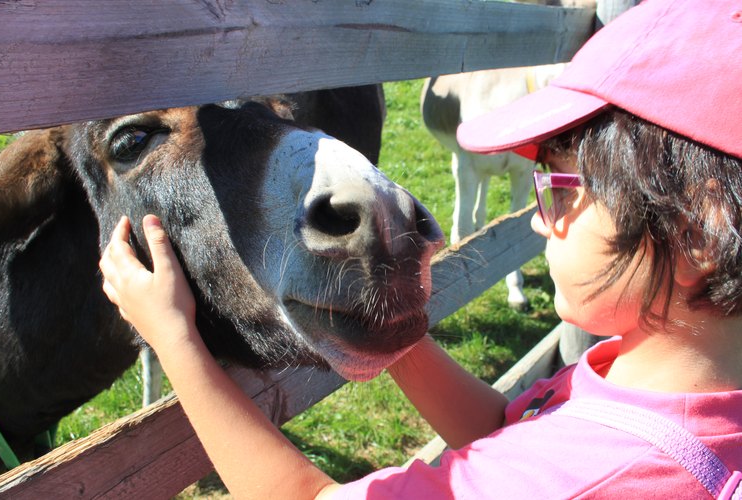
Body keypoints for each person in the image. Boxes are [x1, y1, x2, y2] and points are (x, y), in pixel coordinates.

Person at [99, 0, 742, 497]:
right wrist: (392, 327)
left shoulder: (589, 477)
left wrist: (174, 340)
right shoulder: (662, 388)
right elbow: (505, 431)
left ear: (695, 231)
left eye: (564, 190)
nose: (544, 222)